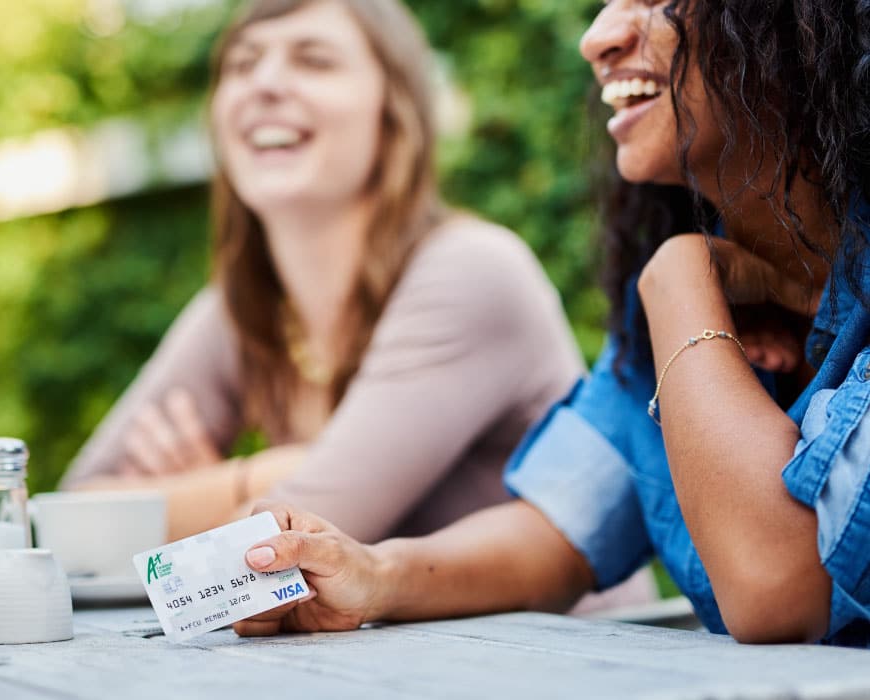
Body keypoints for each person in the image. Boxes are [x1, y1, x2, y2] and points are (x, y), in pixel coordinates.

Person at [232, 0, 870, 647]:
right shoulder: (693, 310)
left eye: (657, 2)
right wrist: (370, 574)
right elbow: (558, 531)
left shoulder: (675, 285)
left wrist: (680, 274)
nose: (598, 38)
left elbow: (779, 587)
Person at [61, 0, 656, 611]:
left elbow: (257, 560)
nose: (264, 83)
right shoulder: (238, 309)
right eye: (241, 65)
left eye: (314, 60)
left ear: (393, 111)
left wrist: (198, 493)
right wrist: (262, 479)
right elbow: (70, 523)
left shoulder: (470, 273)